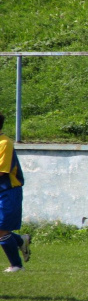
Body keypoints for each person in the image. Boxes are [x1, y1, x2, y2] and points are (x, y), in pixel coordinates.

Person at [0, 113, 30, 273]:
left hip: (7, 191)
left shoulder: (5, 143)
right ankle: (20, 241)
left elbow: (2, 171)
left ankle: (17, 266)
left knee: (1, 229)